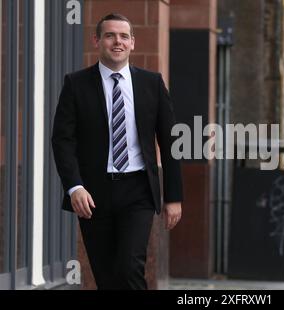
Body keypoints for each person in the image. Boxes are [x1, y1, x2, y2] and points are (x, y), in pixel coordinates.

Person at [52, 13, 183, 290]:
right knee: (106, 276)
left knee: (129, 268)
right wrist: (74, 187)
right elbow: (63, 140)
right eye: (110, 35)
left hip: (138, 191)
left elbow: (171, 142)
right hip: (93, 194)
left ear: (133, 43)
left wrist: (174, 197)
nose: (117, 42)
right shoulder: (76, 84)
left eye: (124, 36)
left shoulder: (152, 83)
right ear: (97, 40)